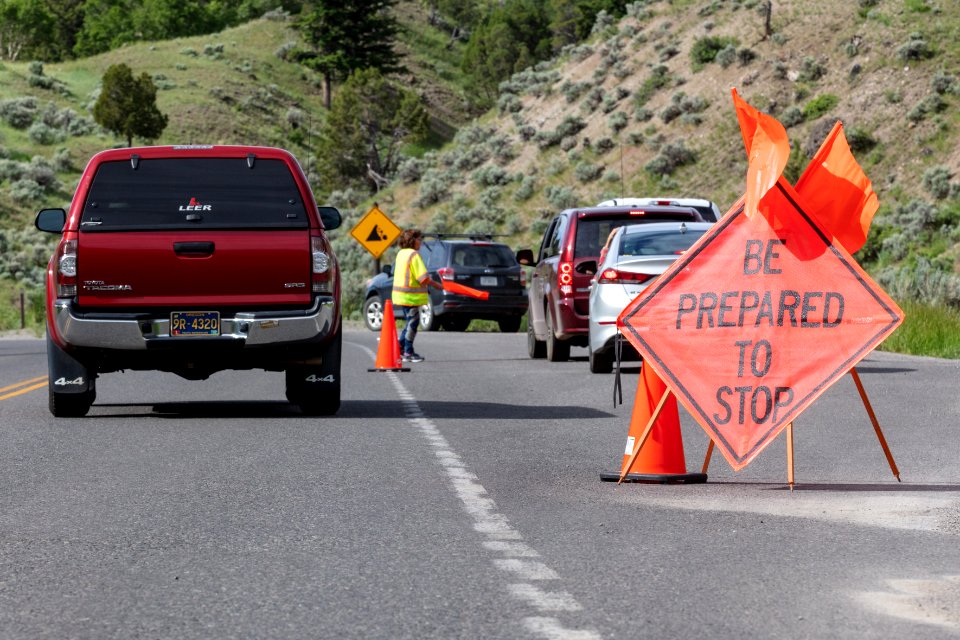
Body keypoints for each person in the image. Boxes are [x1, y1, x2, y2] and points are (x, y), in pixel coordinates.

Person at [392, 229, 442, 363]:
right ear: (412, 241)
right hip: (410, 297)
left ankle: (399, 347)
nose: (421, 242)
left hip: (401, 296)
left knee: (410, 322)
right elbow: (422, 278)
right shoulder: (413, 255)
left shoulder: (401, 253)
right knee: (413, 324)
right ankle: (408, 352)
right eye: (419, 239)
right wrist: (436, 284)